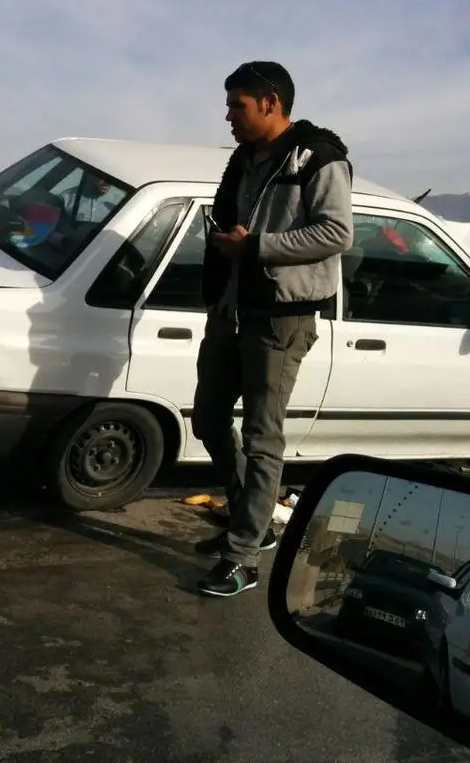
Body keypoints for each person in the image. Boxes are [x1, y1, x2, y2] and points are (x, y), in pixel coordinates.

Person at [192, 61, 354, 598]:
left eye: (238, 105)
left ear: (271, 103)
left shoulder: (319, 159)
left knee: (263, 438)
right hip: (231, 309)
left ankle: (242, 555)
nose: (229, 116)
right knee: (210, 420)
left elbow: (336, 232)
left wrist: (258, 247)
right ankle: (249, 522)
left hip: (281, 317)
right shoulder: (243, 158)